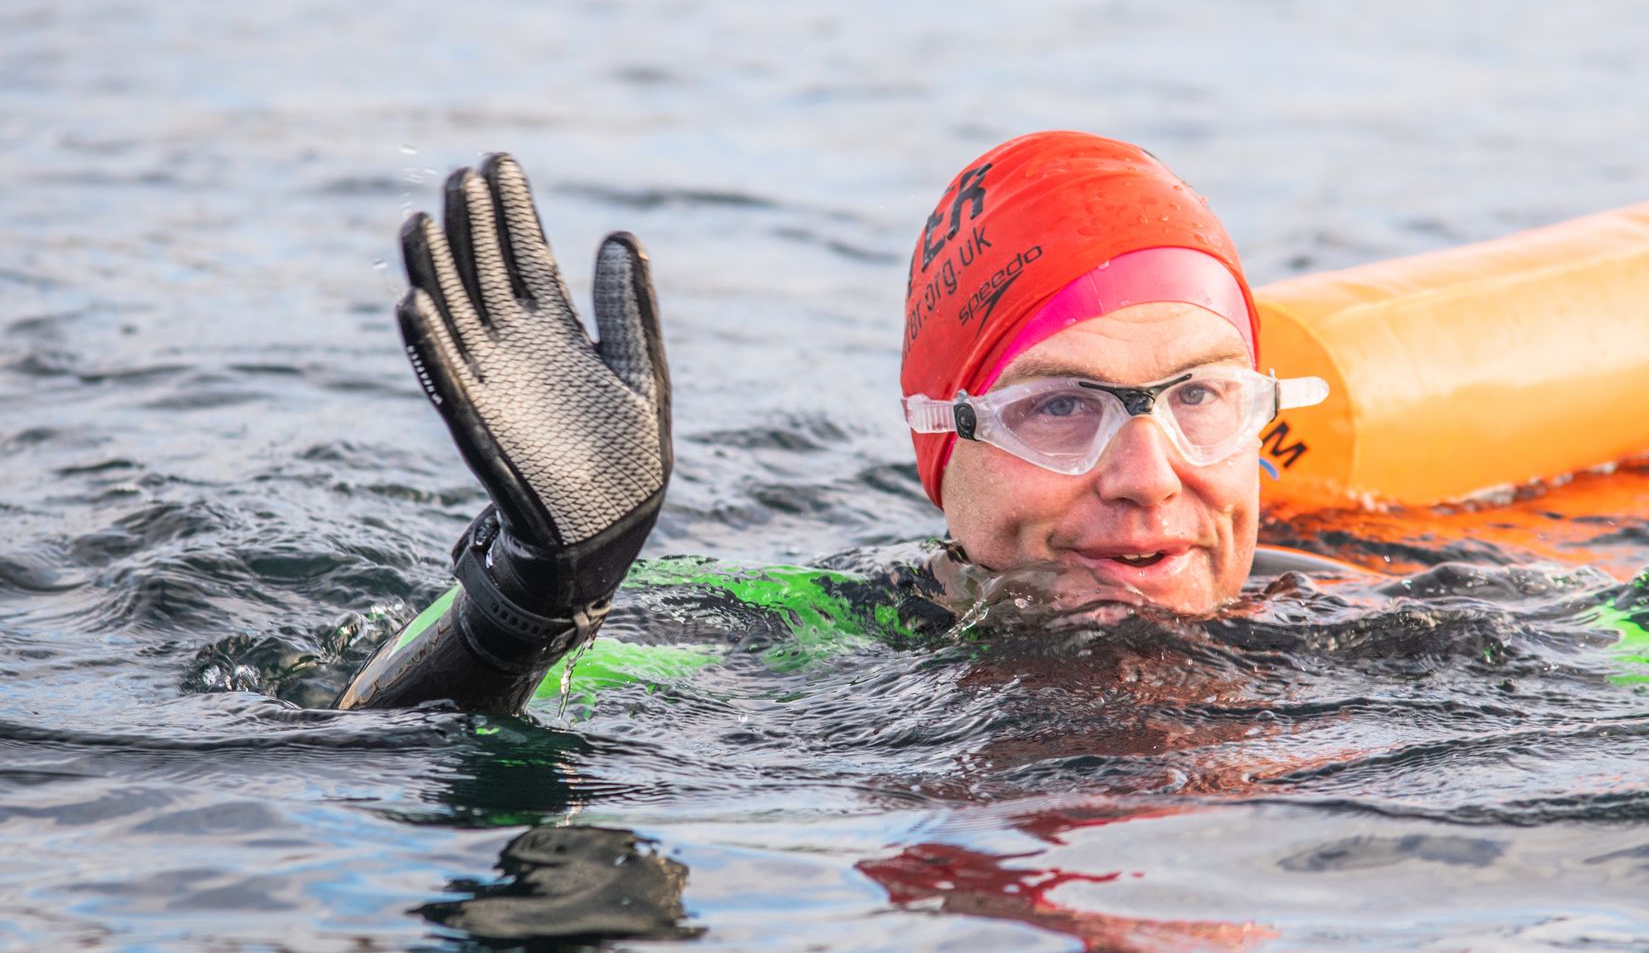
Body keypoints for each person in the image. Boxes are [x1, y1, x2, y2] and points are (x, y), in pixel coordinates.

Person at [340, 134, 1332, 714]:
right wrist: (530, 599)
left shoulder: (1357, 619)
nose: (1149, 478)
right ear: (941, 446)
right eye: (1061, 408)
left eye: (1199, 396)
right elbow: (363, 742)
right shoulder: (799, 640)